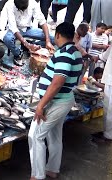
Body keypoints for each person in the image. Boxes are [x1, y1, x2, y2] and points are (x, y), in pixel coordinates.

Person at [29, 22, 83, 180]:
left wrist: (41, 105)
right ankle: (52, 169)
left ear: (58, 35)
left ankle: (37, 176)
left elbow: (57, 82)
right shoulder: (74, 51)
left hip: (56, 102)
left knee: (35, 135)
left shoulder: (66, 53)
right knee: (54, 135)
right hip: (63, 100)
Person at [2, 0, 55, 66]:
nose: (23, 11)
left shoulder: (33, 3)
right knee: (7, 39)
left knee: (53, 39)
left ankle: (31, 46)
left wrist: (48, 41)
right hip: (14, 30)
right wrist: (26, 44)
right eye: (20, 9)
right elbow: (14, 28)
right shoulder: (10, 4)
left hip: (28, 28)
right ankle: (18, 53)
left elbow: (42, 22)